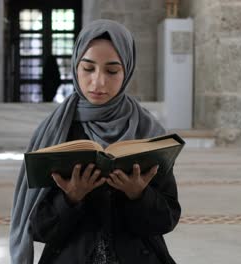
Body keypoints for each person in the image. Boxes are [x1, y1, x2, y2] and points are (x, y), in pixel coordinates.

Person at [10, 19, 181, 264]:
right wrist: (69, 199)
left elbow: (167, 219)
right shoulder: (54, 132)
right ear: (75, 67)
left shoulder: (148, 131)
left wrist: (139, 195)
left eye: (112, 71)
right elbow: (38, 229)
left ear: (127, 70)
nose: (98, 82)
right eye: (88, 68)